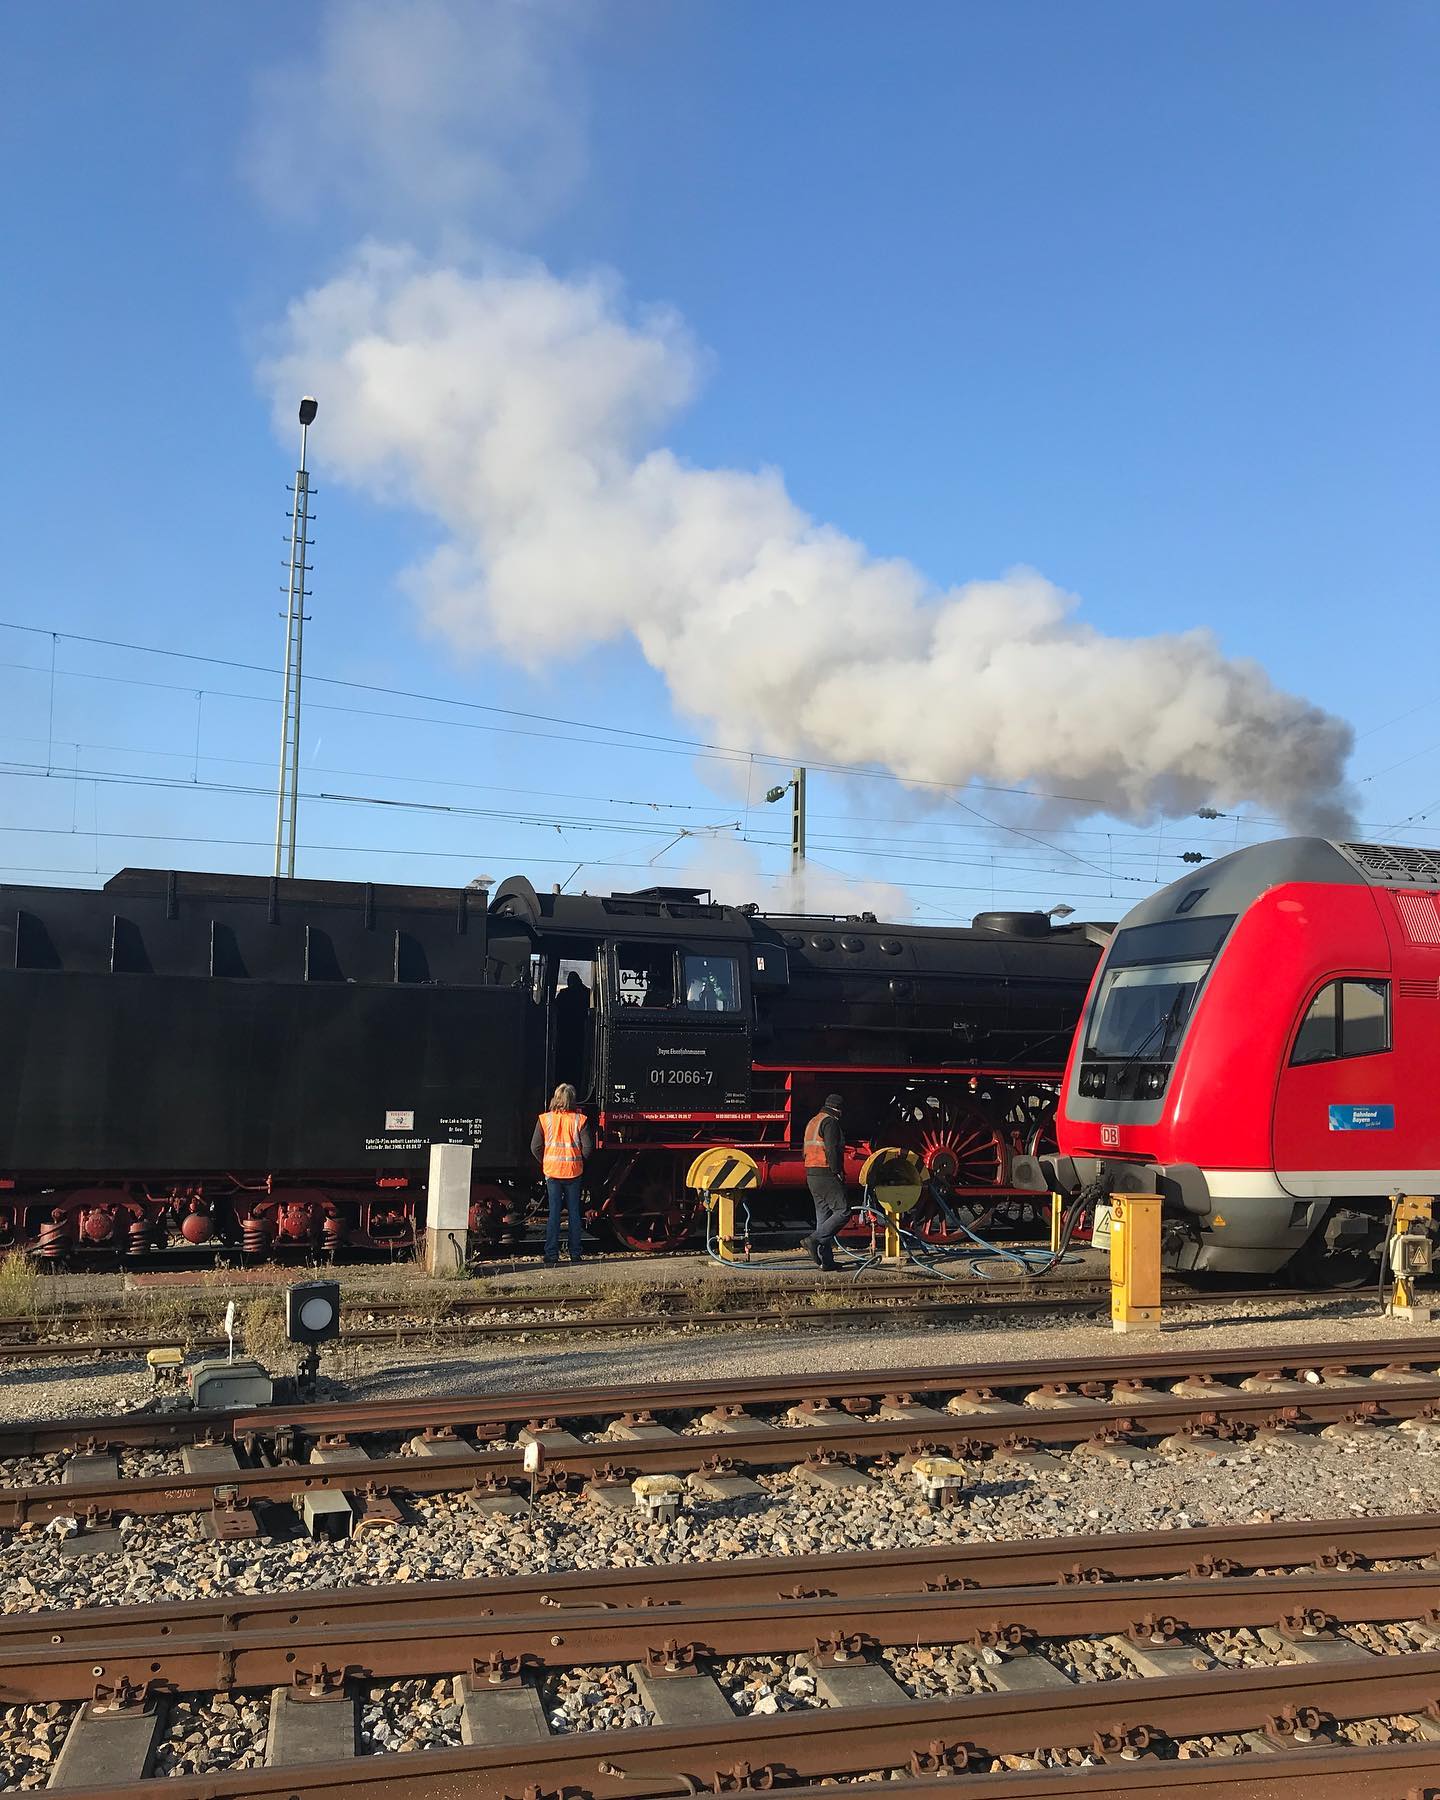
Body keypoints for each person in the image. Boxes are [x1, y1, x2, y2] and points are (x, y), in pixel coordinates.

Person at [532, 1083, 593, 1267]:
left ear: (555, 1099)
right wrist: (578, 1160)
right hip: (573, 1172)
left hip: (552, 1172)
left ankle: (551, 1254)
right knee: (574, 1213)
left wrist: (546, 1162)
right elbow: (588, 1147)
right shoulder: (580, 1120)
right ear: (572, 1100)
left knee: (554, 1214)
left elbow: (535, 1147)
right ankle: (575, 1253)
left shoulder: (545, 1119)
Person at [799, 1093, 848, 1270]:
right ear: (839, 1109)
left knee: (823, 1217)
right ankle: (814, 1239)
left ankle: (826, 1261)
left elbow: (804, 1149)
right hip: (825, 1171)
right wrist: (837, 1171)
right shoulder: (830, 1122)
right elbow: (832, 1149)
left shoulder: (813, 1121)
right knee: (843, 1211)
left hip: (811, 1173)